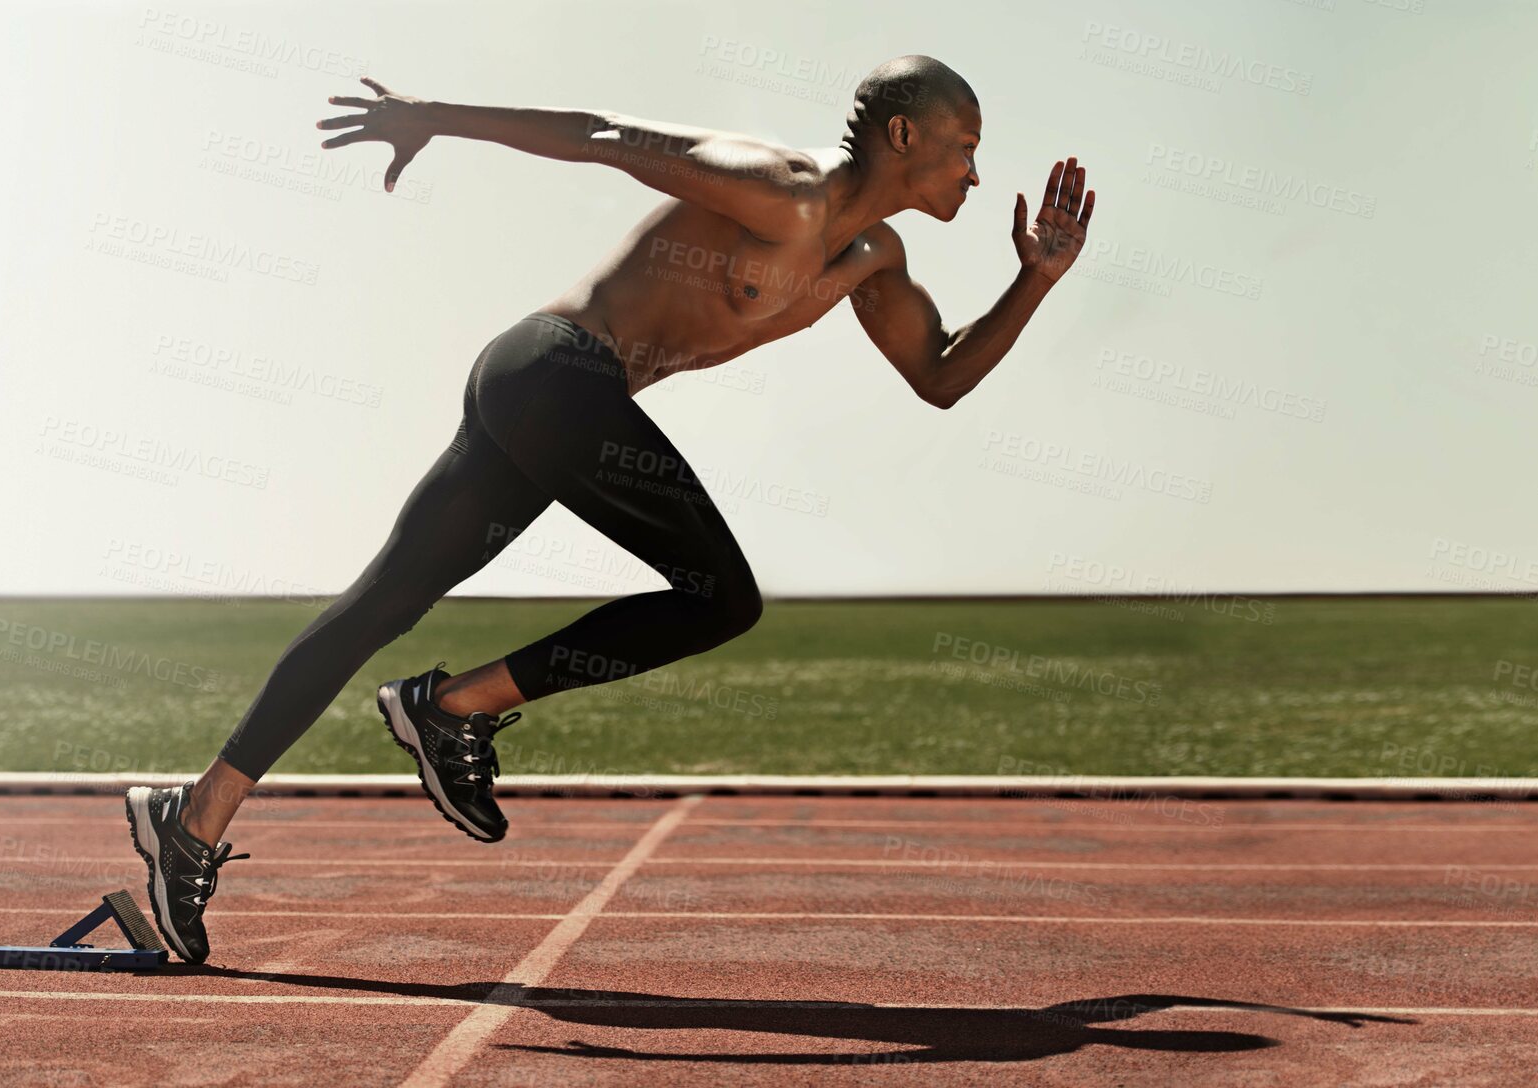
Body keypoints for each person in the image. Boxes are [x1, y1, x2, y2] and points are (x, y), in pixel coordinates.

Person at [126, 54, 1096, 962]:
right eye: (962, 147)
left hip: (569, 405)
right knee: (717, 594)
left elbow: (937, 375)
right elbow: (599, 134)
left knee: (386, 602)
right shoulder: (782, 190)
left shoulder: (872, 257)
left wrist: (1035, 277)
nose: (974, 174)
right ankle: (448, 705)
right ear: (899, 136)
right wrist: (430, 117)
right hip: (551, 368)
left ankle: (194, 816)